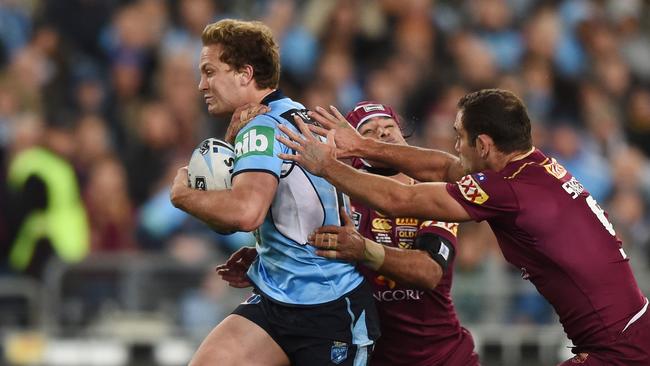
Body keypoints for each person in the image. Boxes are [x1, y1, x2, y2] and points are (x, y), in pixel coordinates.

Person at [276, 89, 650, 365]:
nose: (455, 147)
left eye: (460, 137)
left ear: (483, 145)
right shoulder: (530, 169)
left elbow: (402, 200)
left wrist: (326, 165)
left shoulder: (507, 189)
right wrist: (363, 147)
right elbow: (444, 169)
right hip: (626, 334)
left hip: (618, 348)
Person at [169, 19, 379, 366]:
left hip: (327, 308)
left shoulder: (262, 127)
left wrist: (183, 197)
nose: (200, 84)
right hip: (277, 296)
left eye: (209, 71)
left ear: (244, 74)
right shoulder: (291, 115)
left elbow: (245, 212)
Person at [218, 100, 480, 365]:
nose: (383, 133)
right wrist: (270, 257)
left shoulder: (433, 192)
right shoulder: (338, 198)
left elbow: (428, 272)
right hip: (370, 354)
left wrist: (363, 249)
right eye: (368, 131)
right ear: (349, 146)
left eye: (390, 126)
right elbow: (292, 227)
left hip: (445, 358)